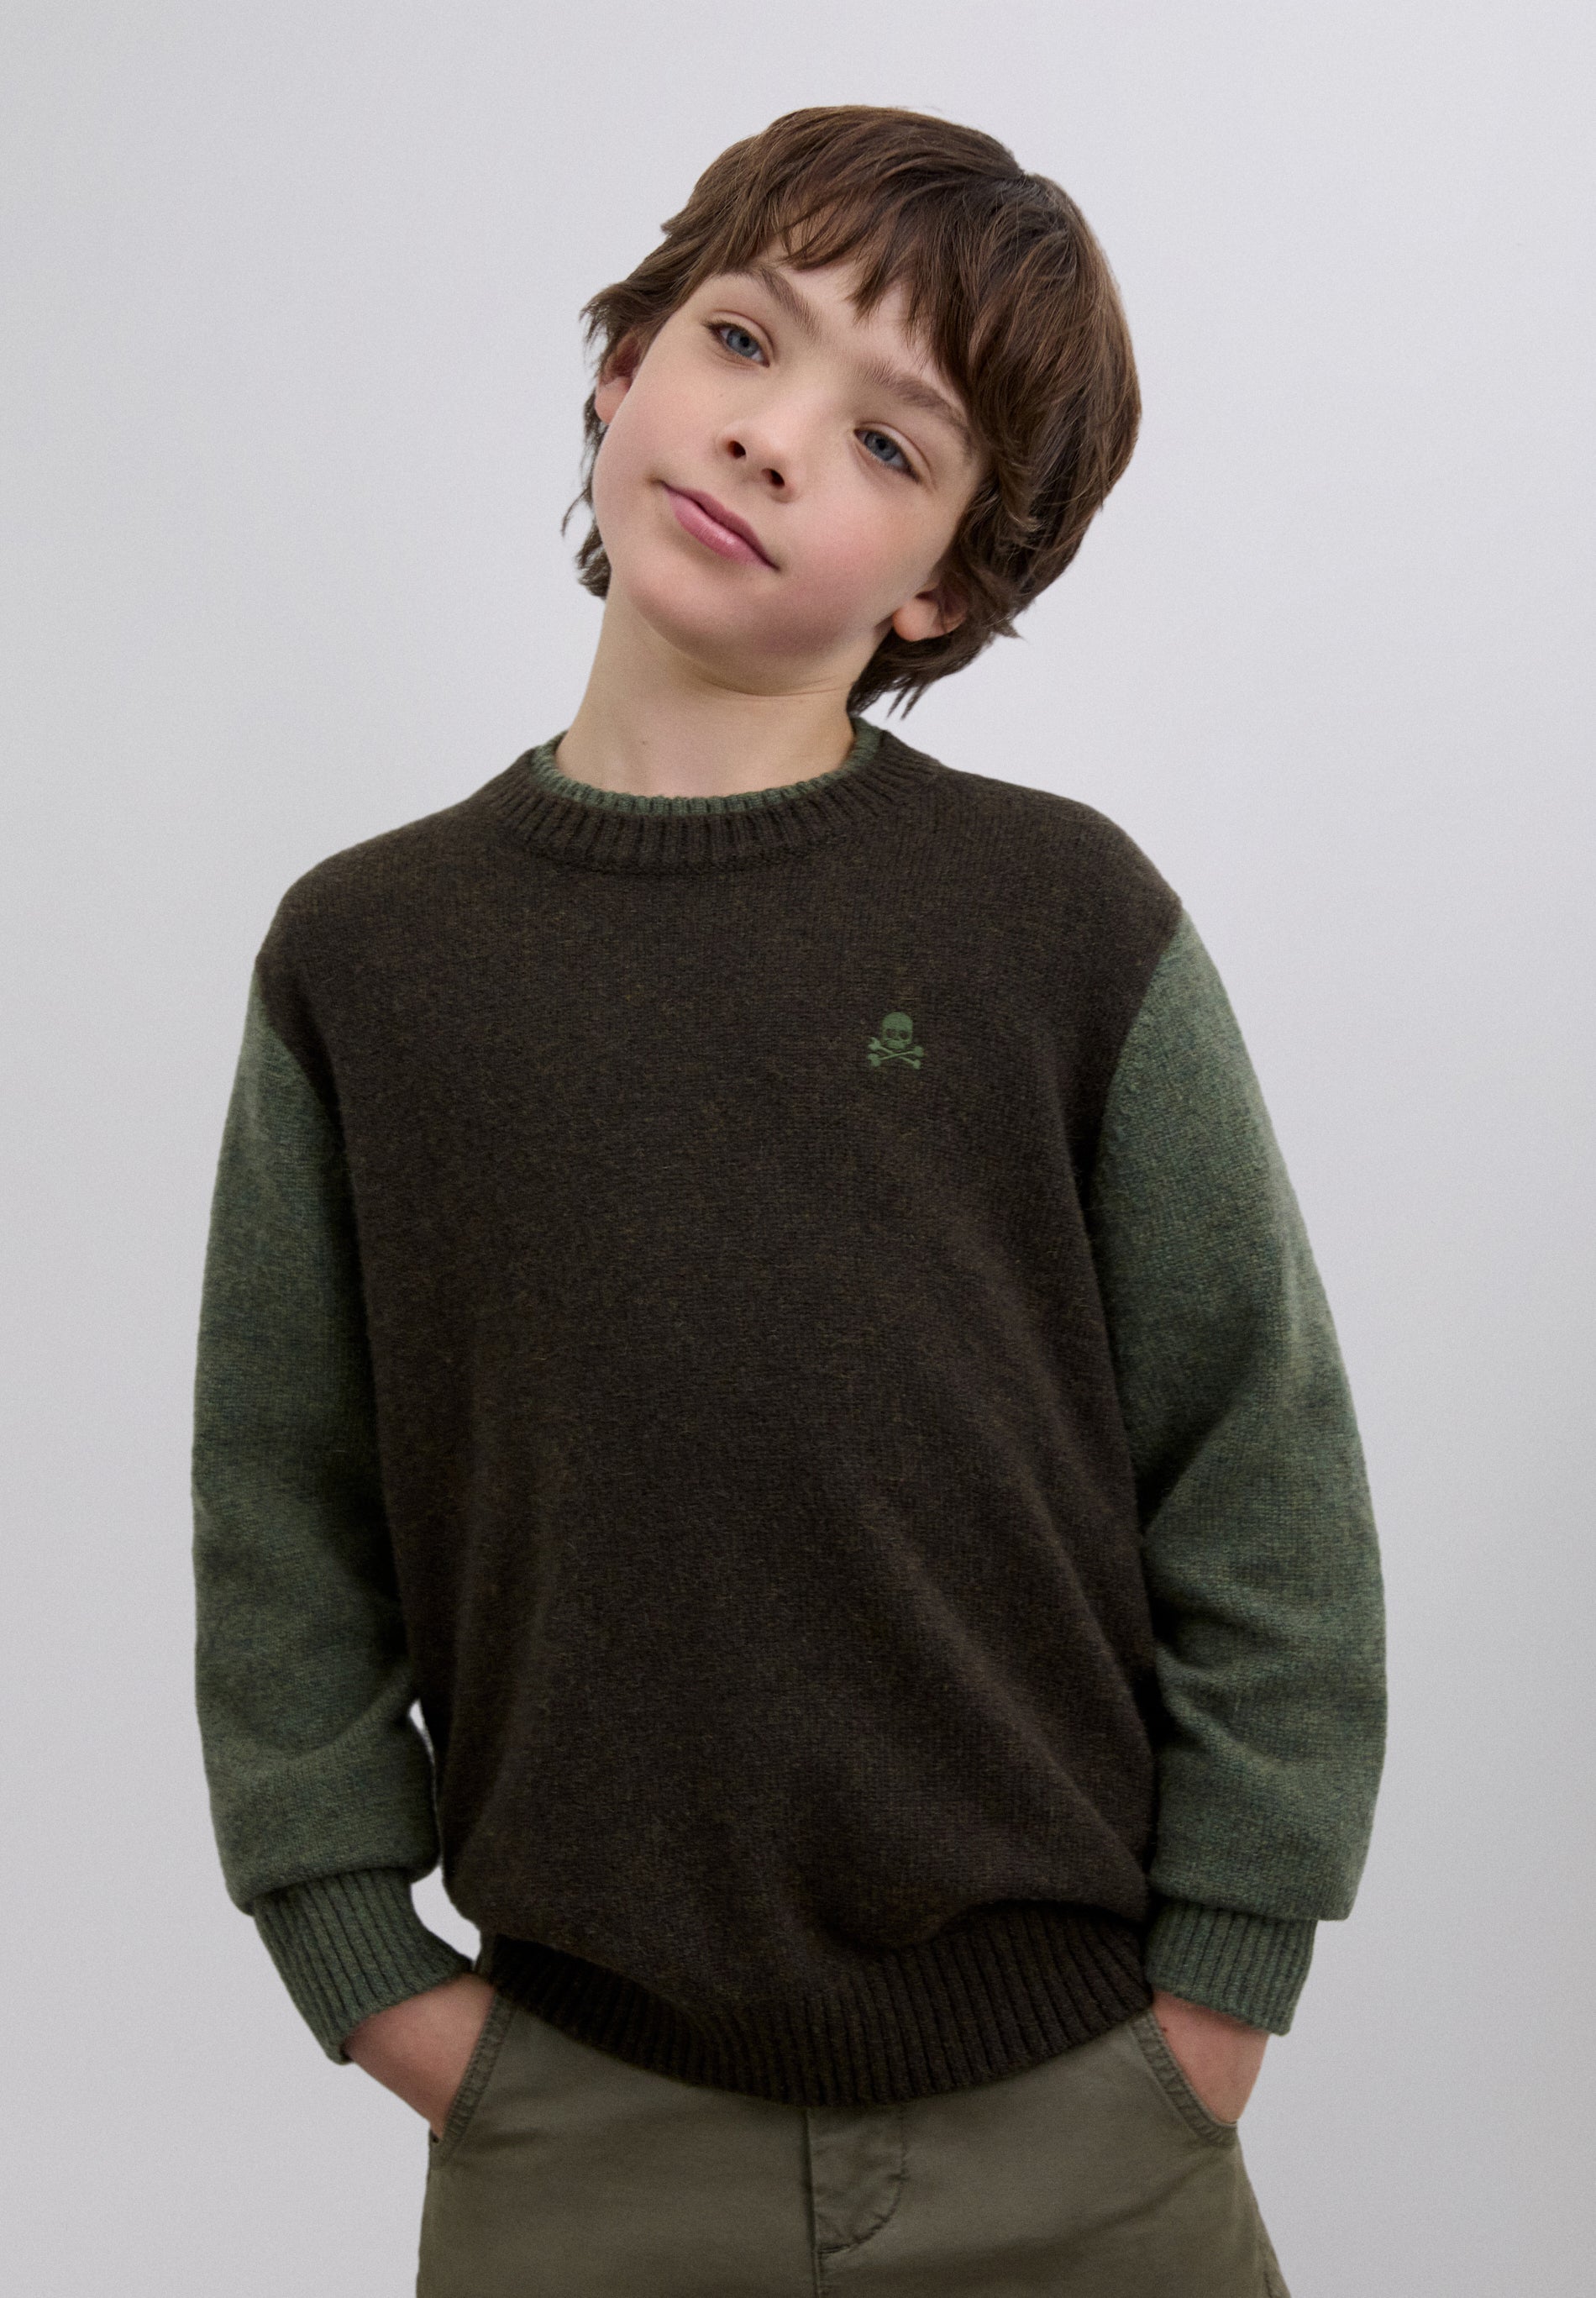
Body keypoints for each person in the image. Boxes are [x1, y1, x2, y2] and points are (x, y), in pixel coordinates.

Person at [192, 103, 1385, 2297]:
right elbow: (283, 1501)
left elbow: (1258, 1452)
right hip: (577, 2132)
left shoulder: (1060, 921)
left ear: (942, 581)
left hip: (1085, 2121)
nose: (768, 436)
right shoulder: (368, 957)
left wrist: (1218, 1990)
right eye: (742, 340)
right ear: (621, 365)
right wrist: (362, 1957)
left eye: (886, 439)